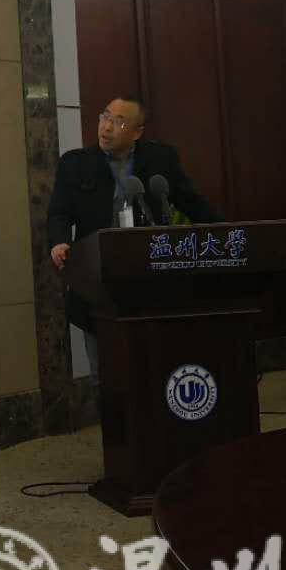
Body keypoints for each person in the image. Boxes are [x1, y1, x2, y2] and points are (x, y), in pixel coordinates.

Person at [46, 96, 222, 375]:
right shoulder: (75, 164)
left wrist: (224, 233)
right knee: (106, 372)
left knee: (155, 367)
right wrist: (59, 241)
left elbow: (191, 202)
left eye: (119, 122)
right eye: (105, 117)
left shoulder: (160, 159)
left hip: (151, 279)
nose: (106, 127)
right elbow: (59, 212)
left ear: (137, 132)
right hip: (97, 281)